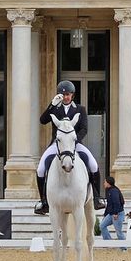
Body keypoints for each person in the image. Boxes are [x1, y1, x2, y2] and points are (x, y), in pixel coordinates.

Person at [34, 81, 104, 213]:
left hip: (75, 144)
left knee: (94, 165)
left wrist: (74, 140)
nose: (66, 97)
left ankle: (97, 197)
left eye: (68, 94)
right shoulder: (55, 108)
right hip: (57, 145)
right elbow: (42, 120)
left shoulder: (80, 109)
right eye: (63, 94)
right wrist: (52, 105)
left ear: (72, 95)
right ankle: (43, 201)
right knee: (41, 168)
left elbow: (84, 128)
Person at [102, 175, 126, 248]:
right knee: (102, 226)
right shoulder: (108, 190)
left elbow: (117, 202)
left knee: (118, 231)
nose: (104, 183)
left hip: (117, 214)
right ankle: (109, 243)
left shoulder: (114, 191)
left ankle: (124, 248)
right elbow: (109, 204)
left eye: (105, 182)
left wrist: (115, 213)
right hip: (111, 214)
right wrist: (105, 215)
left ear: (108, 183)